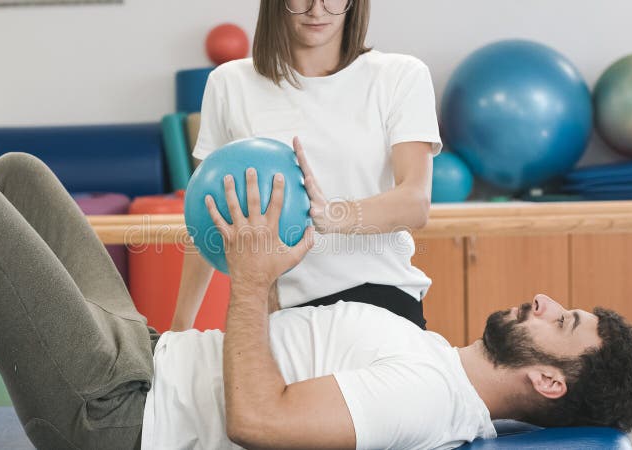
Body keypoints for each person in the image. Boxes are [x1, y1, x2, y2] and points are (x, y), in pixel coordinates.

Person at [0, 154, 632, 449]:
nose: (548, 301)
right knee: (18, 175)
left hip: (117, 413)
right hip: (148, 356)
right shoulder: (429, 353)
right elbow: (274, 350)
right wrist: (278, 240)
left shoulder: (425, 397)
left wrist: (246, 282)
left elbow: (259, 420)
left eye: (565, 323)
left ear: (551, 380)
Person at [172, 0, 441, 331]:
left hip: (381, 300)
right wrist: (180, 328)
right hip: (274, 314)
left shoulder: (400, 75)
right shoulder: (229, 83)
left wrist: (330, 216)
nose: (317, 9)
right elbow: (209, 214)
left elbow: (415, 202)